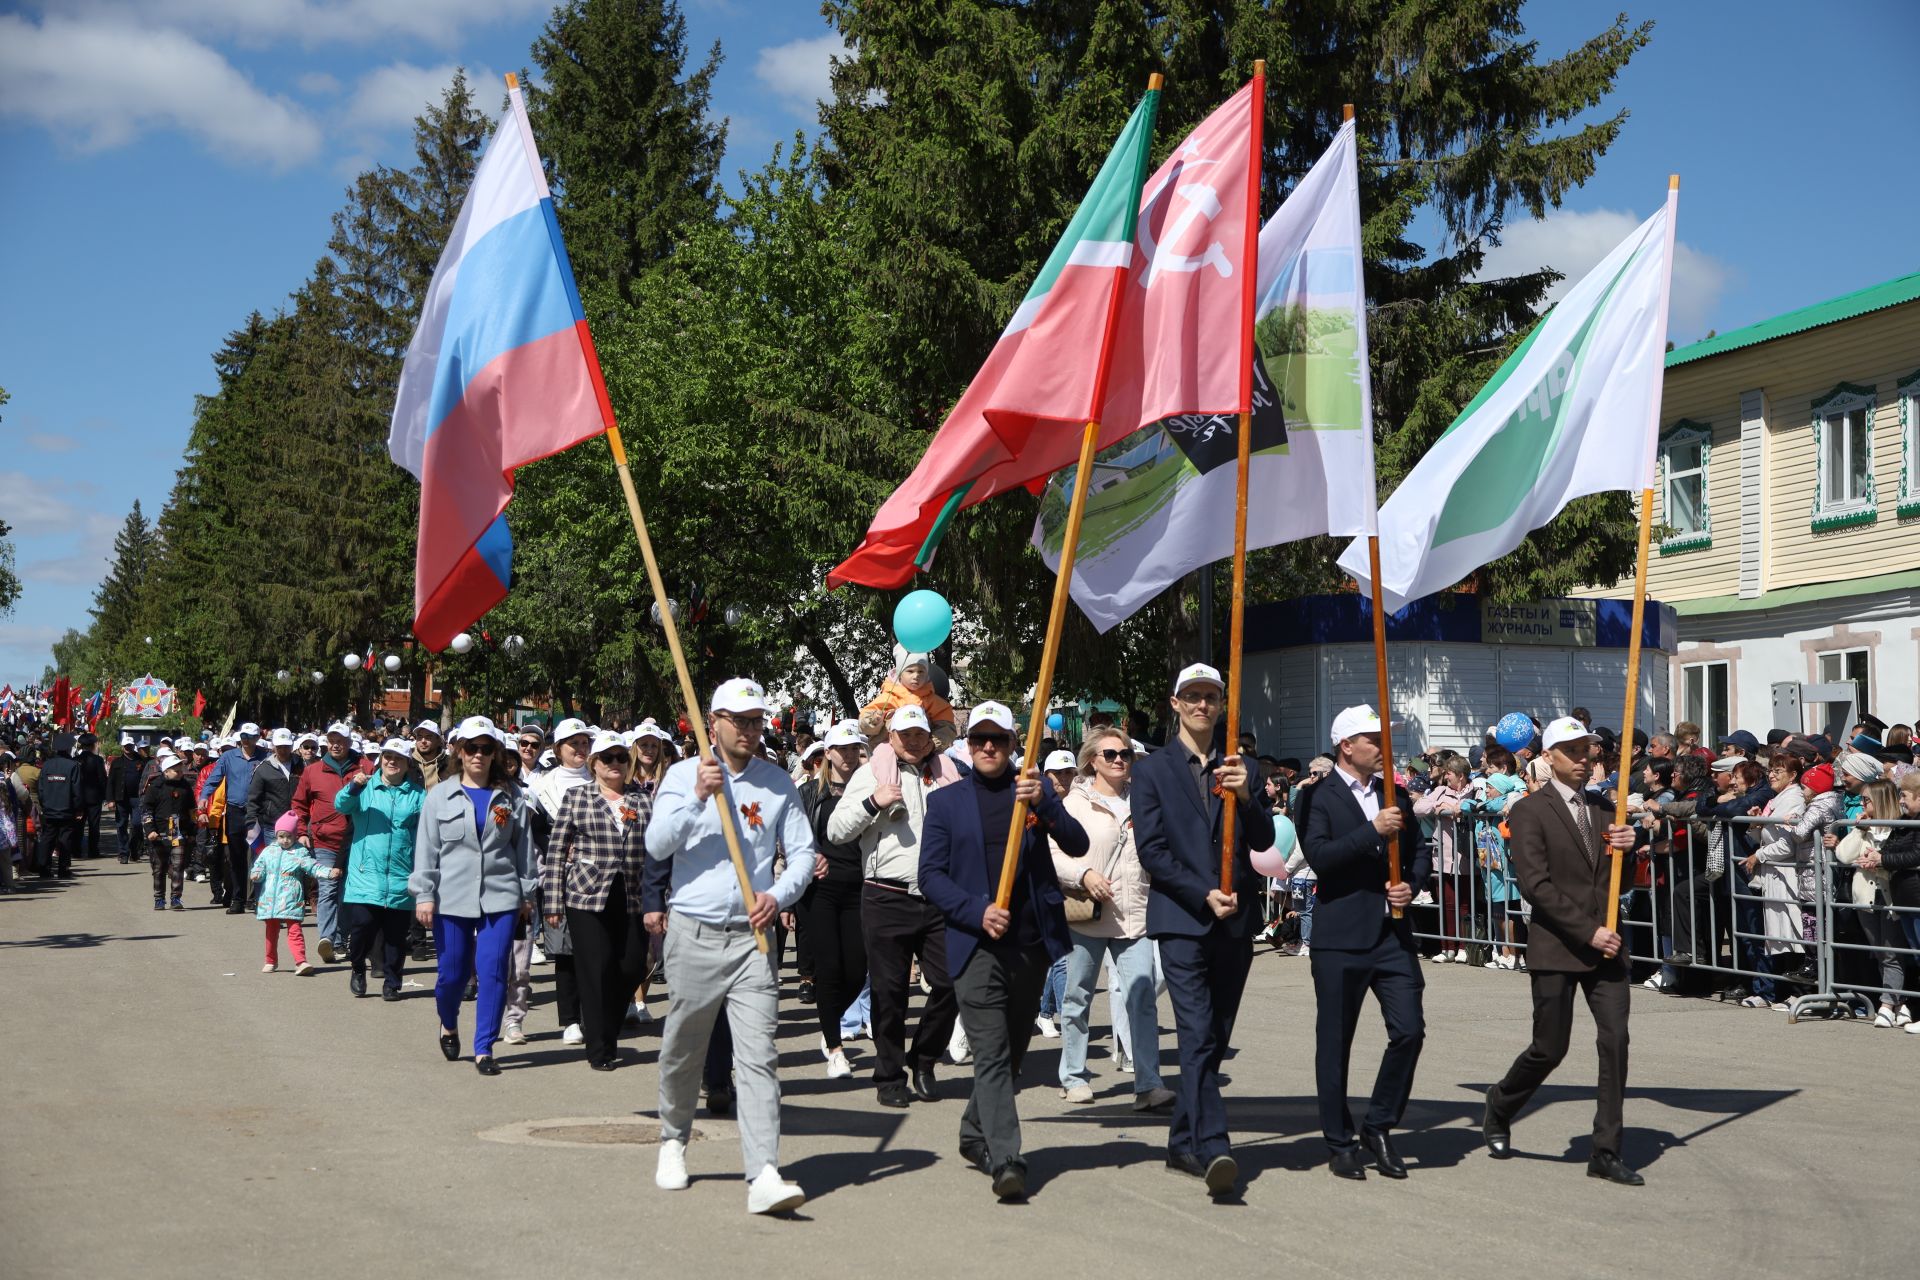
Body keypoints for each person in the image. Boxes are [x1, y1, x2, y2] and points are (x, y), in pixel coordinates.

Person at [647, 678, 816, 1215]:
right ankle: (673, 1138)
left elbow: (805, 854)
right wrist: (699, 796)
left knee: (760, 1056)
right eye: (738, 720)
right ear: (712, 722)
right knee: (683, 1047)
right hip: (693, 932)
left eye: (755, 720)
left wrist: (777, 894)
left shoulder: (777, 783)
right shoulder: (681, 776)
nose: (748, 729)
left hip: (753, 940)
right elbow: (656, 845)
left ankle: (763, 1171)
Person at [919, 699, 1089, 1201]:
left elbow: (1077, 845)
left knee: (1012, 1056)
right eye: (979, 740)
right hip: (976, 945)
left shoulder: (1033, 793)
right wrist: (976, 911)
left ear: (1015, 744)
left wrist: (1046, 805)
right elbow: (930, 876)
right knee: (990, 1053)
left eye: (998, 739)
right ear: (967, 746)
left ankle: (975, 1133)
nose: (988, 747)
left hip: (1029, 944)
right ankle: (1008, 1157)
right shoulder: (947, 803)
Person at [1128, 665, 1275, 1195]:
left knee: (1216, 1037)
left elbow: (1260, 841)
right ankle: (1214, 1144)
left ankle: (1179, 1141)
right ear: (1175, 704)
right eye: (1192, 696)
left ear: (1221, 705)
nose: (1201, 705)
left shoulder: (1244, 767)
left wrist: (1248, 796)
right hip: (1182, 920)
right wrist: (1199, 892)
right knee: (1195, 1033)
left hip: (1235, 922)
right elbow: (1153, 851)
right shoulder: (1151, 771)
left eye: (1210, 697)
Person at [1483, 717, 1644, 1185]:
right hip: (1559, 944)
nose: (1583, 759)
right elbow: (1536, 886)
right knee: (1549, 1048)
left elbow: (1619, 883)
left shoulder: (1603, 809)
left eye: (1587, 751)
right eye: (1571, 751)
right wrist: (1587, 931)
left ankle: (1606, 1150)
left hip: (1607, 949)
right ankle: (1500, 1103)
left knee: (1615, 1042)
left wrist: (1629, 850)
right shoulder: (1529, 811)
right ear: (1548, 757)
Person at [1300, 704, 1427, 1181]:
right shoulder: (1318, 796)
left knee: (1410, 1030)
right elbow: (1320, 856)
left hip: (1392, 934)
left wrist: (1410, 884)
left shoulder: (1395, 793)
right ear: (1347, 746)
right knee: (1335, 1043)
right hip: (1341, 937)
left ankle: (1379, 1124)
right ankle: (1339, 1140)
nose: (1383, 747)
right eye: (1374, 739)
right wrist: (1371, 832)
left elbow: (1418, 853)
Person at [826, 702, 967, 1108]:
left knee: (951, 981)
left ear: (929, 737)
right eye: (905, 735)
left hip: (939, 896)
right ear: (891, 737)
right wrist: (873, 801)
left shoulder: (947, 774)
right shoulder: (873, 773)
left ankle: (923, 1058)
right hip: (886, 895)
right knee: (889, 994)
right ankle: (889, 1077)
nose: (913, 741)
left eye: (919, 734)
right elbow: (836, 831)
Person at [1052, 725, 1175, 1111]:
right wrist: (1082, 876)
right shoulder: (1074, 803)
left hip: (1135, 915)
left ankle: (1148, 1084)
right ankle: (1074, 1077)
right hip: (1087, 915)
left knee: (1142, 998)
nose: (1120, 759)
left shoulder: (1144, 800)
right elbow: (1051, 854)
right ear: (1092, 761)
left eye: (1125, 754)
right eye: (1111, 754)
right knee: (1077, 997)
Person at [408, 716, 538, 1076]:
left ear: (495, 753)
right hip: (451, 895)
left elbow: (523, 848)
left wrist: (527, 894)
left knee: (494, 970)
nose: (478, 755)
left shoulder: (511, 795)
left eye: (486, 748)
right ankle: (448, 1022)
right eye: (471, 748)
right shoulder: (440, 796)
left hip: (501, 894)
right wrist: (424, 894)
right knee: (452, 974)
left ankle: (485, 1048)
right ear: (459, 752)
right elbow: (427, 849)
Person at [543, 732, 651, 1071]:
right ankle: (600, 1048)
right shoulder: (577, 797)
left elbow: (659, 847)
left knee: (632, 964)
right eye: (608, 758)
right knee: (596, 968)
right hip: (586, 895)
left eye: (621, 757)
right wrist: (553, 904)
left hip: (633, 894)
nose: (615, 764)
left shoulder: (643, 799)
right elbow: (557, 851)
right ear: (595, 764)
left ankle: (604, 1021)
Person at [797, 721, 869, 1080]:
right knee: (829, 967)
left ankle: (828, 1021)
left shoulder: (867, 787)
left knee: (856, 969)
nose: (848, 755)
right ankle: (835, 1048)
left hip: (859, 889)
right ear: (827, 753)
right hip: (819, 891)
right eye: (841, 749)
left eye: (854, 748)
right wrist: (807, 856)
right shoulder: (810, 792)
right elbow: (791, 834)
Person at [336, 738, 424, 1001]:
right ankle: (357, 967)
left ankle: (392, 983)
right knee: (362, 927)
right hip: (366, 874)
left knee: (396, 937)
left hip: (401, 875)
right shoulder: (365, 787)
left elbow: (427, 831)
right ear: (380, 759)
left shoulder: (418, 794)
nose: (391, 762)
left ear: (407, 763)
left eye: (398, 758)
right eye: (387, 756)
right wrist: (353, 787)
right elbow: (340, 805)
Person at [292, 723, 361, 963]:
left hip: (357, 841)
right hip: (325, 842)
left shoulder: (365, 767)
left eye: (340, 740)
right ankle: (328, 939)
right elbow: (299, 803)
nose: (335, 744)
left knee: (346, 893)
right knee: (328, 890)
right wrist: (301, 831)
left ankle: (341, 940)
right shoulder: (312, 771)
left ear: (349, 743)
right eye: (331, 739)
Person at [201, 724, 268, 913]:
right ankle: (237, 900)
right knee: (236, 857)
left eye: (251, 736)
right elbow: (214, 778)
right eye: (244, 736)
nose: (246, 739)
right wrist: (204, 797)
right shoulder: (228, 757)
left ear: (257, 737)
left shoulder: (266, 757)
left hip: (257, 813)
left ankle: (256, 900)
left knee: (258, 857)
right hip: (235, 813)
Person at [253, 812, 319, 976]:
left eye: (289, 836)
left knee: (295, 929)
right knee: (271, 931)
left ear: (295, 835)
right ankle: (270, 960)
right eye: (281, 836)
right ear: (276, 836)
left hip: (291, 898)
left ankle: (301, 961)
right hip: (270, 900)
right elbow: (259, 867)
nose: (285, 840)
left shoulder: (300, 852)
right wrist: (256, 874)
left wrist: (326, 872)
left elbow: (312, 866)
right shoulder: (268, 851)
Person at [141, 748, 196, 910]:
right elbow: (146, 810)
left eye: (181, 770)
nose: (180, 773)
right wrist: (150, 830)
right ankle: (159, 898)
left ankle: (176, 898)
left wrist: (193, 831)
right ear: (166, 771)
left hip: (178, 832)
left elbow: (192, 811)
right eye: (176, 771)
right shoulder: (155, 787)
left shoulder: (185, 787)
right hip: (158, 833)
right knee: (159, 868)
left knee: (178, 867)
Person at [33, 732, 82, 880]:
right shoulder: (73, 766)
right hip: (66, 810)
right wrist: (78, 808)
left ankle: (44, 869)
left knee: (47, 838)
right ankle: (63, 869)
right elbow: (77, 790)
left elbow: (40, 789)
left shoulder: (46, 766)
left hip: (49, 809)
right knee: (65, 839)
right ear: (68, 749)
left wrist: (44, 805)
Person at [109, 737, 144, 863]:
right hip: (121, 798)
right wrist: (110, 799)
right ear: (122, 747)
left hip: (137, 798)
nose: (128, 748)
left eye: (130, 745)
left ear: (133, 746)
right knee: (121, 825)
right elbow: (111, 782)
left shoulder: (141, 761)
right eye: (126, 746)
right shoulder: (116, 762)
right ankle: (123, 853)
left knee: (137, 824)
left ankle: (135, 850)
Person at [75, 732, 108, 860]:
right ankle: (93, 850)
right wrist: (105, 795)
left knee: (78, 825)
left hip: (78, 797)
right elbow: (102, 779)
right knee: (94, 825)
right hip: (94, 797)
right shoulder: (98, 760)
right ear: (92, 745)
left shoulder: (75, 760)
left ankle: (76, 850)